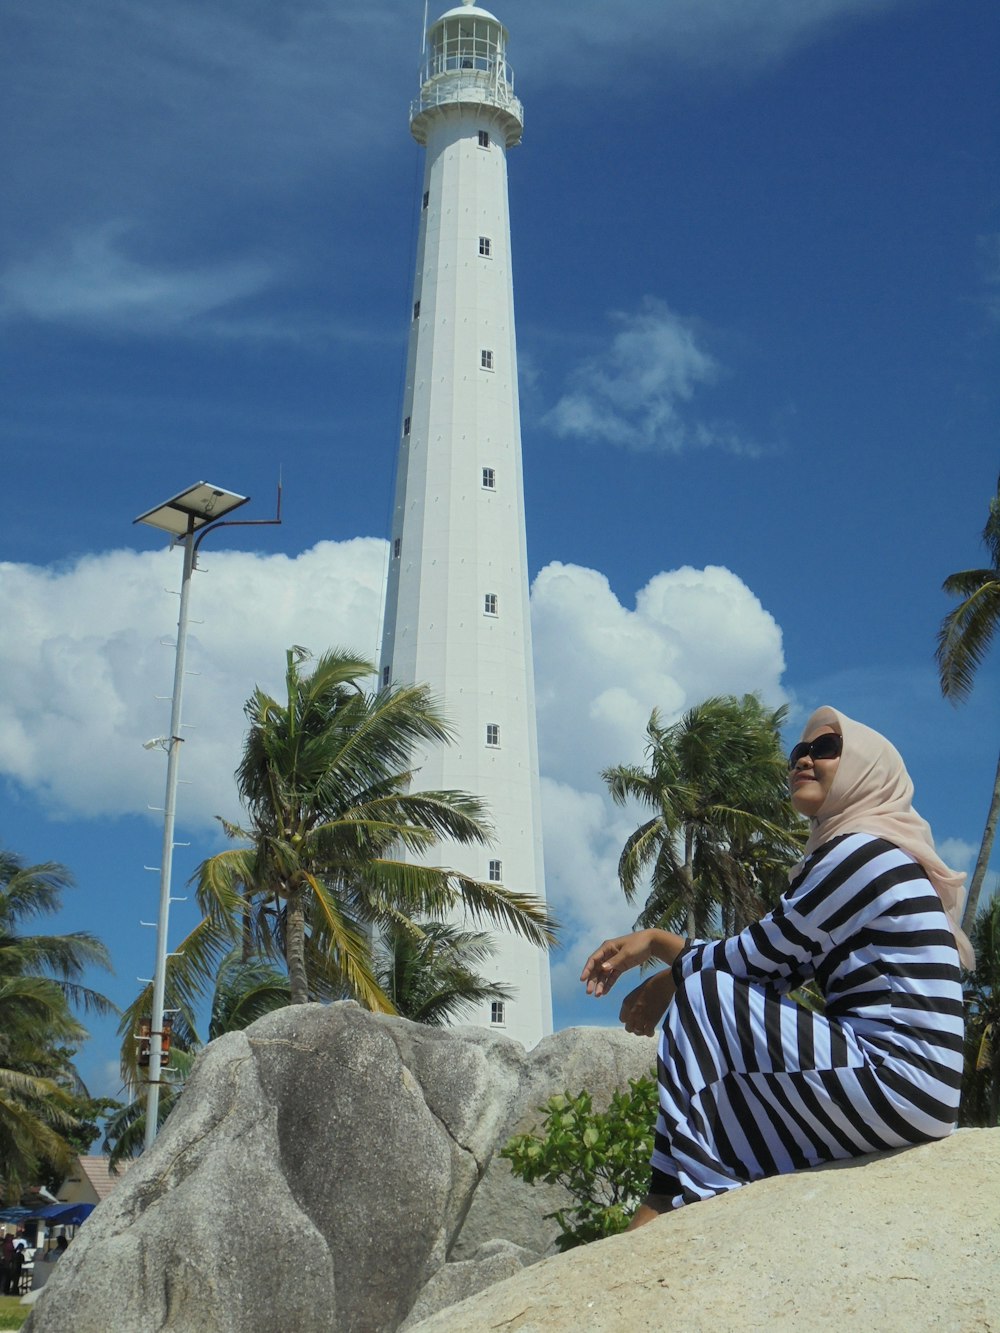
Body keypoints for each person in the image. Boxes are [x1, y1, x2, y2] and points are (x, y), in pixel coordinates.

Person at [582, 706, 973, 1229]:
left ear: (866, 769)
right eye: (798, 752)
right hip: (911, 1088)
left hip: (901, 1080)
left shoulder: (862, 853)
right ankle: (676, 1191)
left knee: (707, 994)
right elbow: (777, 972)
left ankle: (673, 1198)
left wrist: (658, 947)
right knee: (714, 1010)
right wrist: (671, 974)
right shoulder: (868, 851)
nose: (804, 760)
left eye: (826, 748)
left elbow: (755, 959)